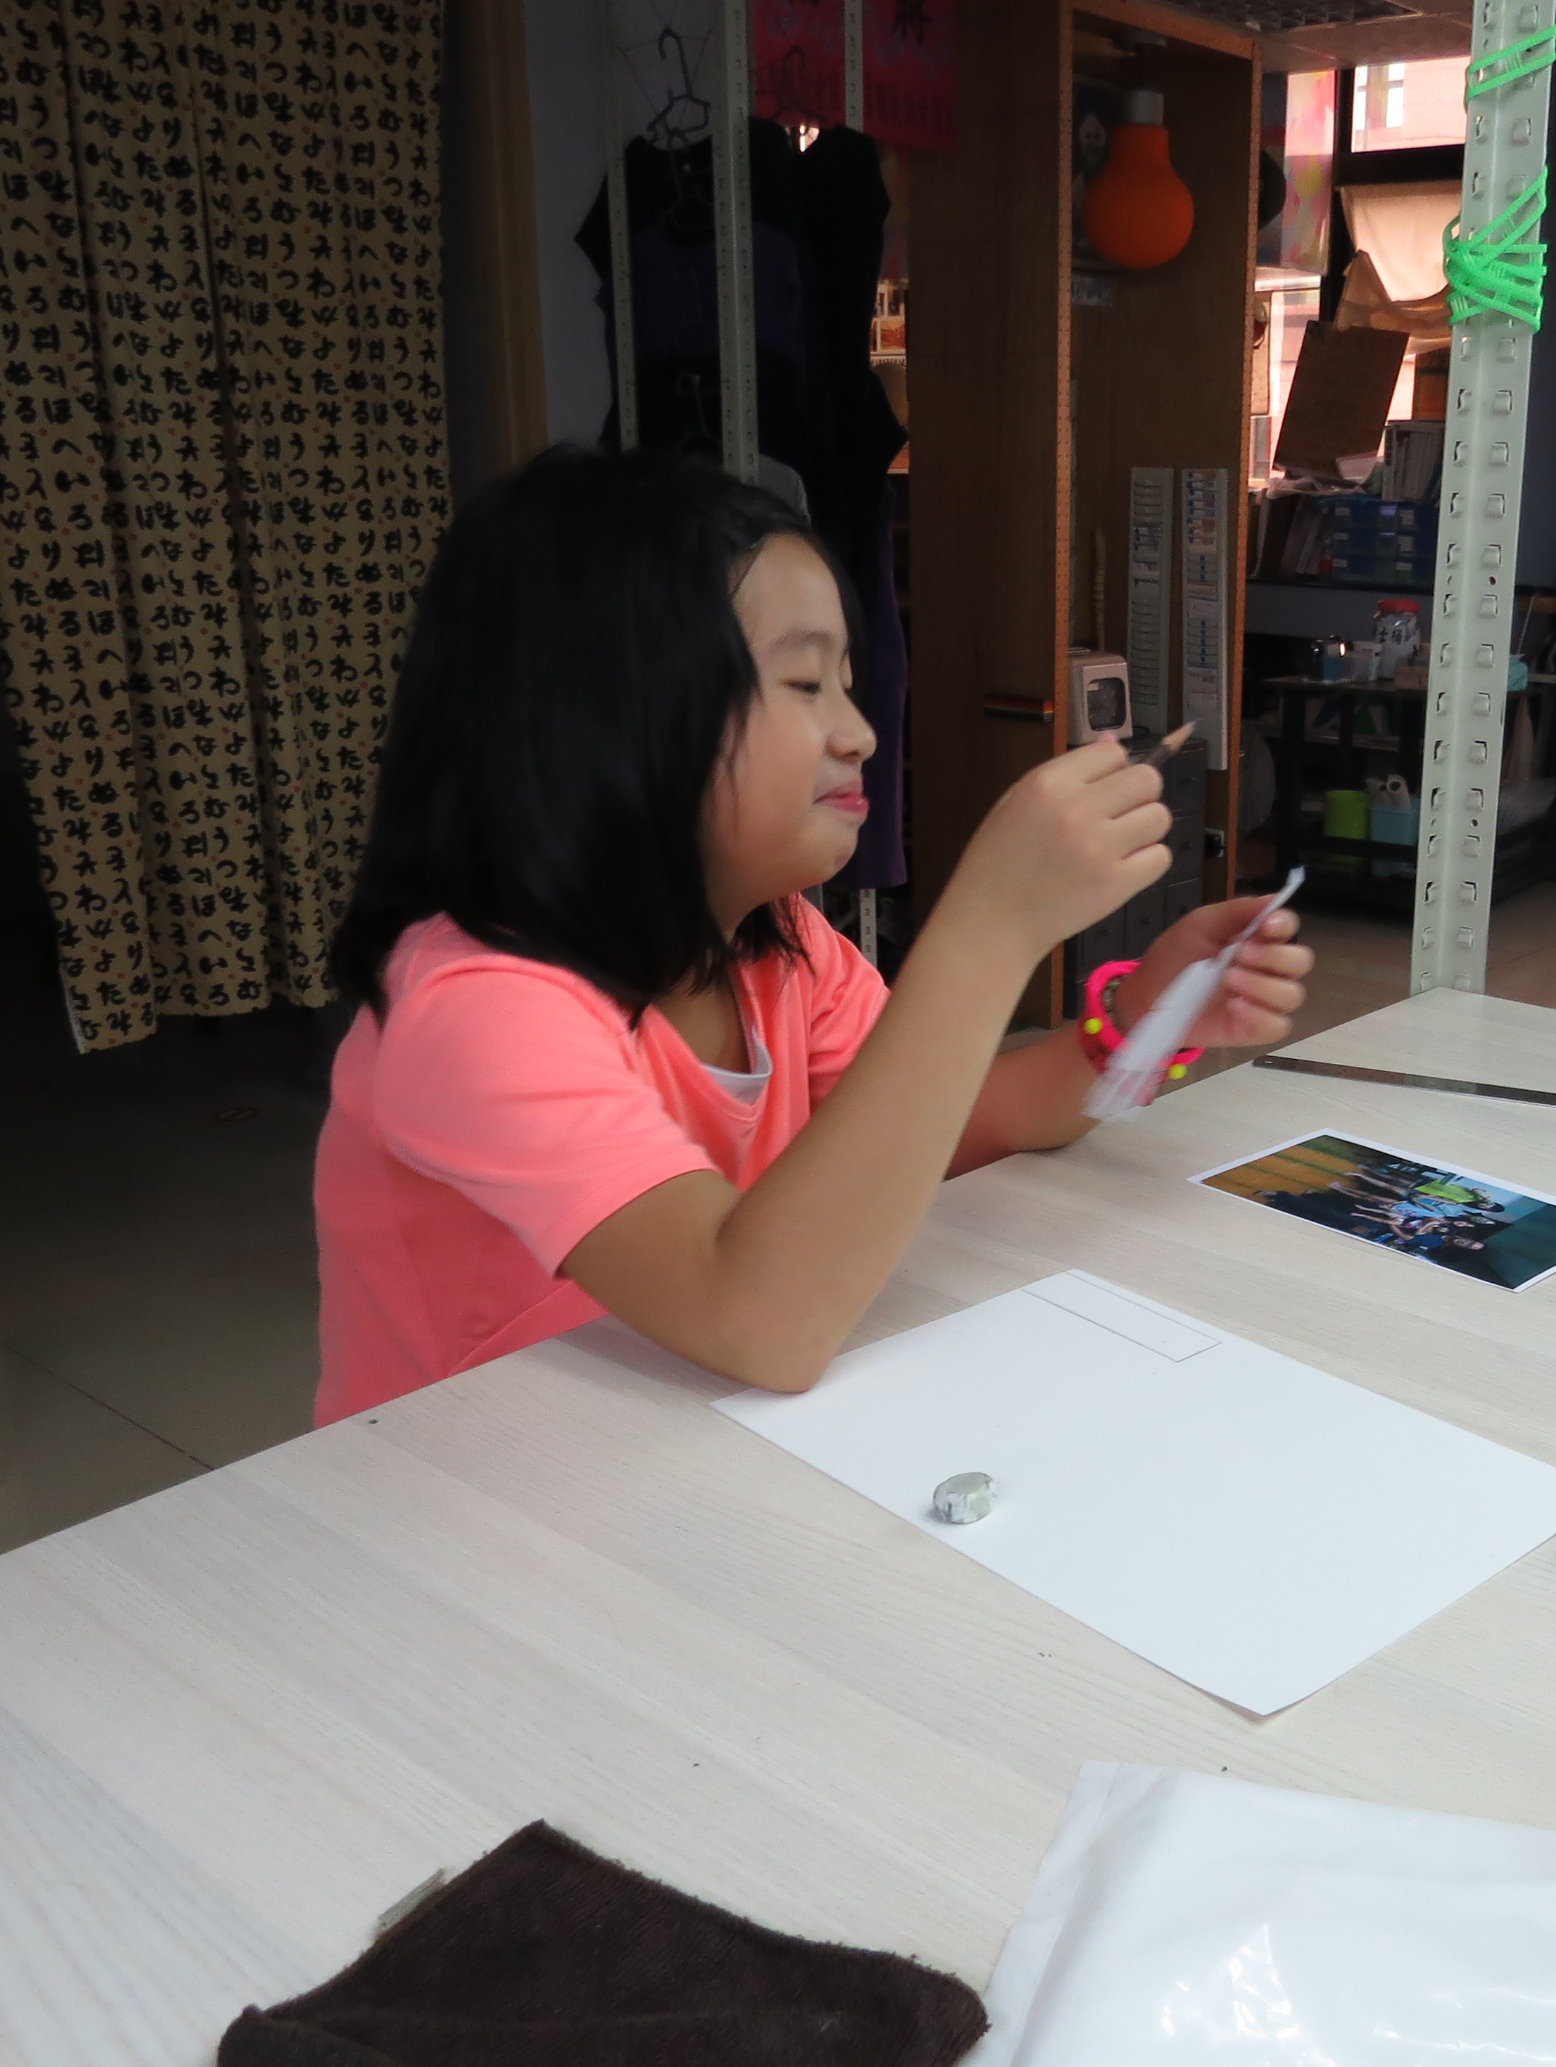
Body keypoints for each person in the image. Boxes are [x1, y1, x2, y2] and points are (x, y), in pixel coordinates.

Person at [314, 449, 1314, 1422]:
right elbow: (760, 1323)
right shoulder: (479, 1003)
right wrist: (991, 926)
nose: (859, 732)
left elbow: (943, 1126)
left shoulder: (775, 940)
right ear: (606, 712)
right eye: (804, 685)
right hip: (466, 1491)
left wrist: (1140, 1020)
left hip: (679, 1433)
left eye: (846, 680)